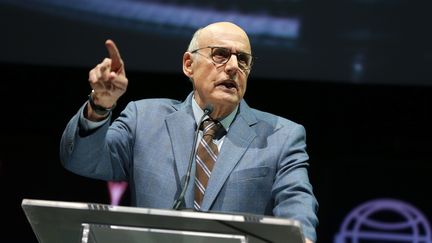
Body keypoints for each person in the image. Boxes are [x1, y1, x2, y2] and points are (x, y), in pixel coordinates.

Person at [60, 21, 318, 242]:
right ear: (188, 64)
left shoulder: (281, 136)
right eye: (220, 54)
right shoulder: (144, 119)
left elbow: (296, 201)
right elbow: (82, 160)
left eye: (243, 59)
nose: (232, 67)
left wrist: (302, 237)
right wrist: (100, 106)